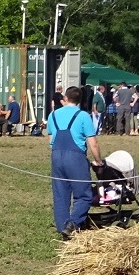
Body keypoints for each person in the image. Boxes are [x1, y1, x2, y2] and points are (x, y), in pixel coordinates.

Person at [47, 86, 104, 239]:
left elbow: (51, 140)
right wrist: (98, 161)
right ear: (79, 100)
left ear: (65, 98)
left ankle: (62, 228)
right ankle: (72, 223)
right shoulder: (83, 116)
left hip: (56, 155)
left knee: (60, 194)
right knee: (84, 195)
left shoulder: (53, 115)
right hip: (75, 157)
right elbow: (93, 143)